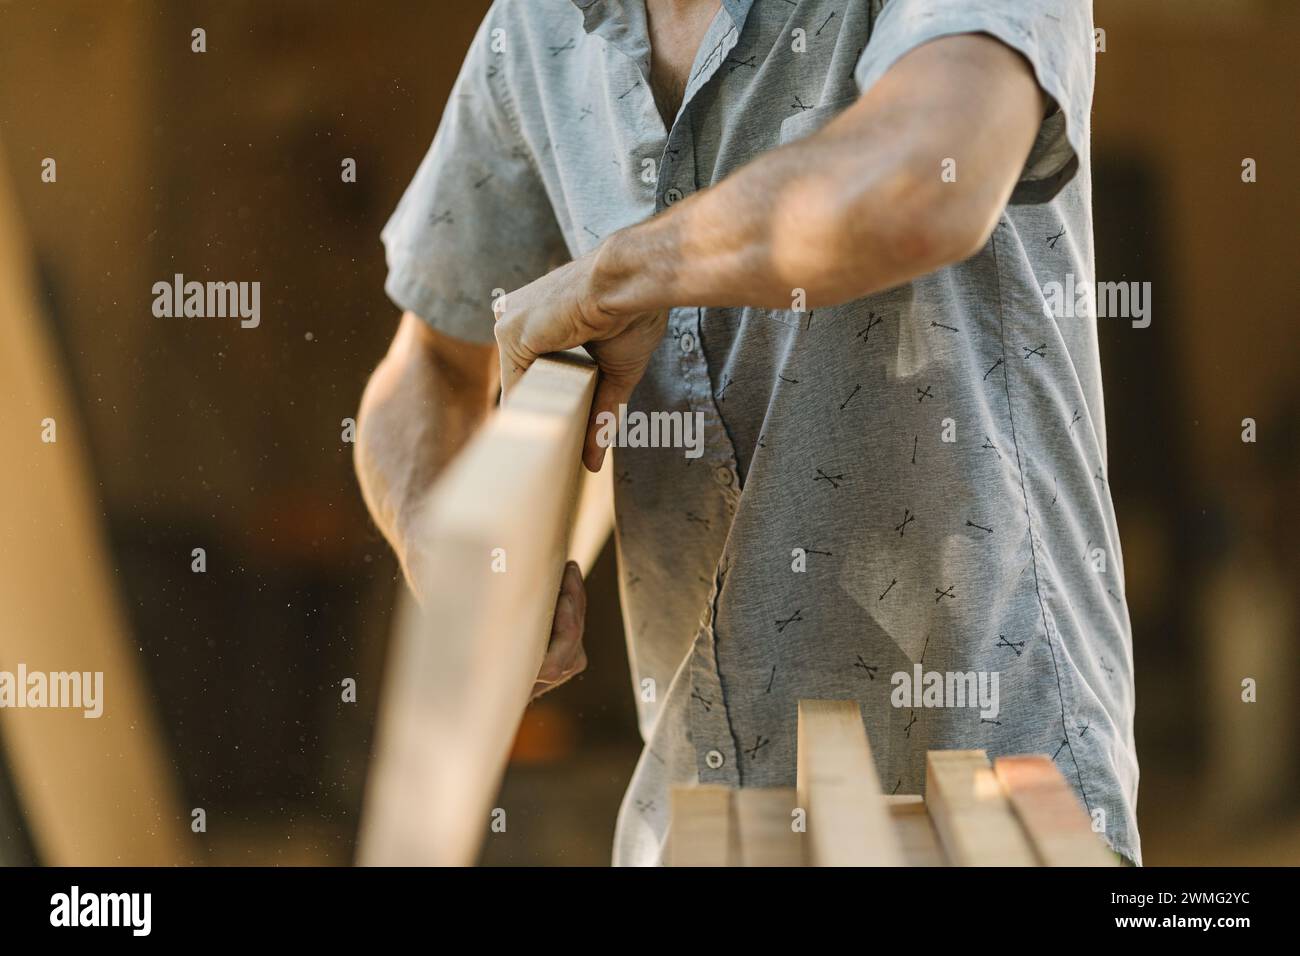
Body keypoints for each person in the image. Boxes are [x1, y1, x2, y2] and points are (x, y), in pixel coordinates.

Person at [356, 0, 1140, 866]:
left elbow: (927, 181)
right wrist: (446, 549)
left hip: (991, 801)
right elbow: (428, 364)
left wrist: (620, 274)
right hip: (696, 821)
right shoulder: (537, 26)